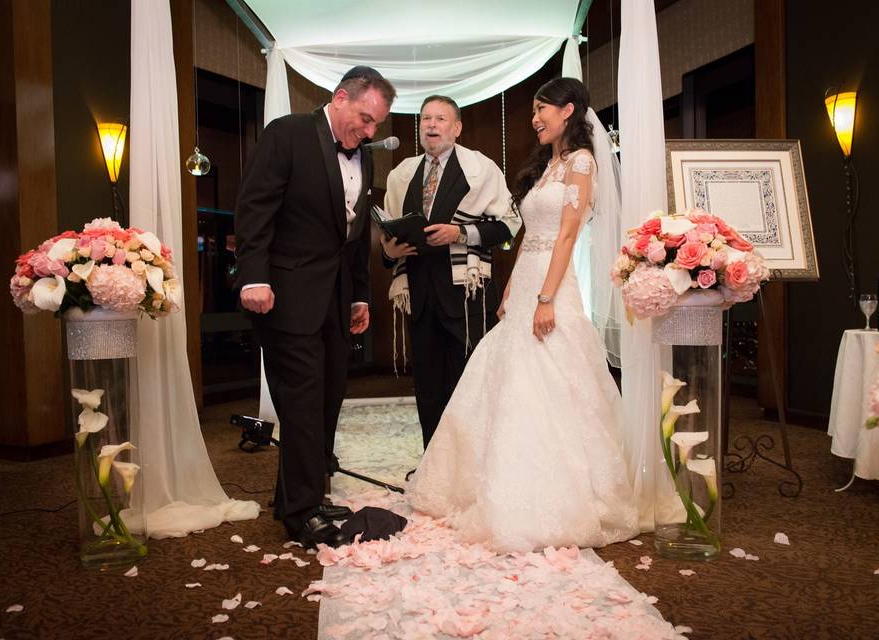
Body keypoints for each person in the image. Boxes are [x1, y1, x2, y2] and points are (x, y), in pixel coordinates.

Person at [406, 78, 639, 552]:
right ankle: (494, 479)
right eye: (533, 111)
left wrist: (548, 298)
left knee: (553, 378)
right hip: (529, 280)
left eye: (542, 110)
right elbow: (530, 235)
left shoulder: (581, 162)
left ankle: (559, 491)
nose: (535, 118)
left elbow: (567, 238)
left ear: (568, 110)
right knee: (507, 381)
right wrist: (514, 285)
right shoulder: (549, 165)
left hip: (553, 286)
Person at [234, 67, 395, 548]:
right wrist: (254, 277)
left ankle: (302, 494)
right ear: (339, 97)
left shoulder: (361, 157)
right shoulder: (287, 134)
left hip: (336, 299)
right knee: (302, 402)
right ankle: (301, 514)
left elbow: (353, 234)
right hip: (285, 295)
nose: (367, 133)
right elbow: (254, 209)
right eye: (364, 119)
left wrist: (360, 294)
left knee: (327, 398)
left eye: (375, 127)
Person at [382, 95, 520, 451]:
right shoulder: (402, 174)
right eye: (426, 118)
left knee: (467, 385)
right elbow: (389, 228)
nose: (431, 125)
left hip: (465, 295)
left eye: (440, 118)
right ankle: (432, 464)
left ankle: (468, 465)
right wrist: (388, 251)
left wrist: (459, 233)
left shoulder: (481, 169)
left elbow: (508, 225)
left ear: (456, 128)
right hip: (419, 293)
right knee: (427, 387)